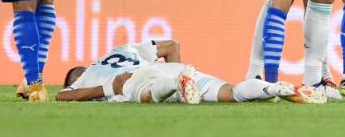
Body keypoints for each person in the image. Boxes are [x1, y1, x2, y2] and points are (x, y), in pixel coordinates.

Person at [57, 39, 323, 104]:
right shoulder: (126, 48)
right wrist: (179, 69)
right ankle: (272, 88)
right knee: (231, 92)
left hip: (137, 80)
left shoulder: (84, 77)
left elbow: (63, 97)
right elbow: (173, 45)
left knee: (148, 94)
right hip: (171, 68)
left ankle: (176, 83)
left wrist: (105, 88)